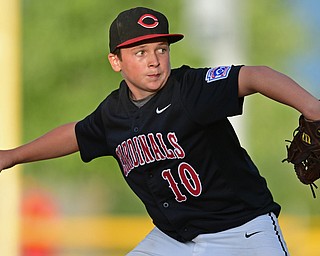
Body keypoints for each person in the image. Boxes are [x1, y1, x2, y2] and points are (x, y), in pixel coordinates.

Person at [1, 6, 320, 256]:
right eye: (140, 52)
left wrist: (311, 107)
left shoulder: (191, 89)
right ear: (116, 61)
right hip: (173, 241)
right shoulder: (113, 113)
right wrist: (13, 156)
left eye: (161, 49)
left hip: (243, 231)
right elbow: (77, 133)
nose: (154, 61)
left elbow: (254, 75)